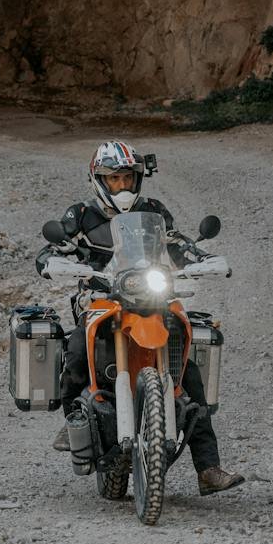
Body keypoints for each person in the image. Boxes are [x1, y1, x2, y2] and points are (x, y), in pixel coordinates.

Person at [36, 140, 245, 496]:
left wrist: (203, 259)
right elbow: (53, 249)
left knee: (189, 374)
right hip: (101, 298)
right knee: (74, 351)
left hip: (150, 297)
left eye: (127, 179)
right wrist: (55, 262)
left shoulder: (154, 210)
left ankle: (208, 468)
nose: (122, 187)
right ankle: (71, 419)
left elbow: (177, 245)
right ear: (100, 180)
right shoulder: (81, 215)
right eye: (114, 179)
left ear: (138, 179)